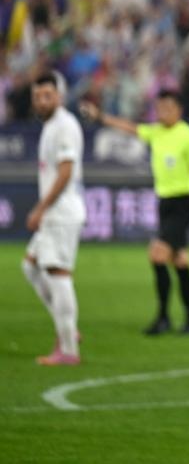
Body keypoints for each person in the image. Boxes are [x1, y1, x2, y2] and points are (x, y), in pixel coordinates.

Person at [80, 90, 189, 335]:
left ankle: (164, 318)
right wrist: (100, 116)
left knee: (157, 254)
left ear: (179, 110)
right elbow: (130, 128)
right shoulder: (156, 132)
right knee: (181, 261)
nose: (162, 112)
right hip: (164, 202)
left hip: (181, 202)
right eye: (159, 108)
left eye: (167, 108)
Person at [21, 71, 85, 366]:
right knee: (31, 266)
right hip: (55, 213)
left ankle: (68, 349)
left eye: (47, 95)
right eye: (37, 96)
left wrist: (41, 208)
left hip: (61, 213)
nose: (41, 101)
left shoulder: (65, 126)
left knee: (58, 274)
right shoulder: (51, 125)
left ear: (60, 96)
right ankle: (67, 326)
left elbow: (66, 172)